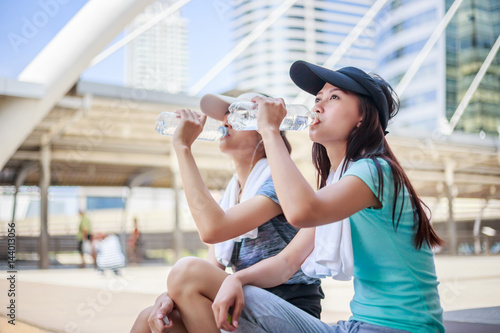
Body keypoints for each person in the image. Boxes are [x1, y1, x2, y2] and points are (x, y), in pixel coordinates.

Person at [209, 61, 445, 332]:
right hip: (358, 326)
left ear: (362, 116)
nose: (317, 106)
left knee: (198, 278)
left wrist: (270, 131)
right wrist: (235, 280)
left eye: (334, 97)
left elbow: (300, 212)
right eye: (317, 98)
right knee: (206, 296)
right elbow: (287, 263)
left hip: (399, 328)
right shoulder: (337, 185)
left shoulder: (375, 171)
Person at [130, 92, 322, 333]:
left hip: (287, 309)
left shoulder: (278, 184)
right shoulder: (234, 193)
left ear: (262, 131)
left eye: (240, 114)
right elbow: (212, 265)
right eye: (226, 115)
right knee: (152, 318)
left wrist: (183, 148)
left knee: (186, 271)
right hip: (246, 301)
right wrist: (168, 296)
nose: (227, 120)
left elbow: (212, 230)